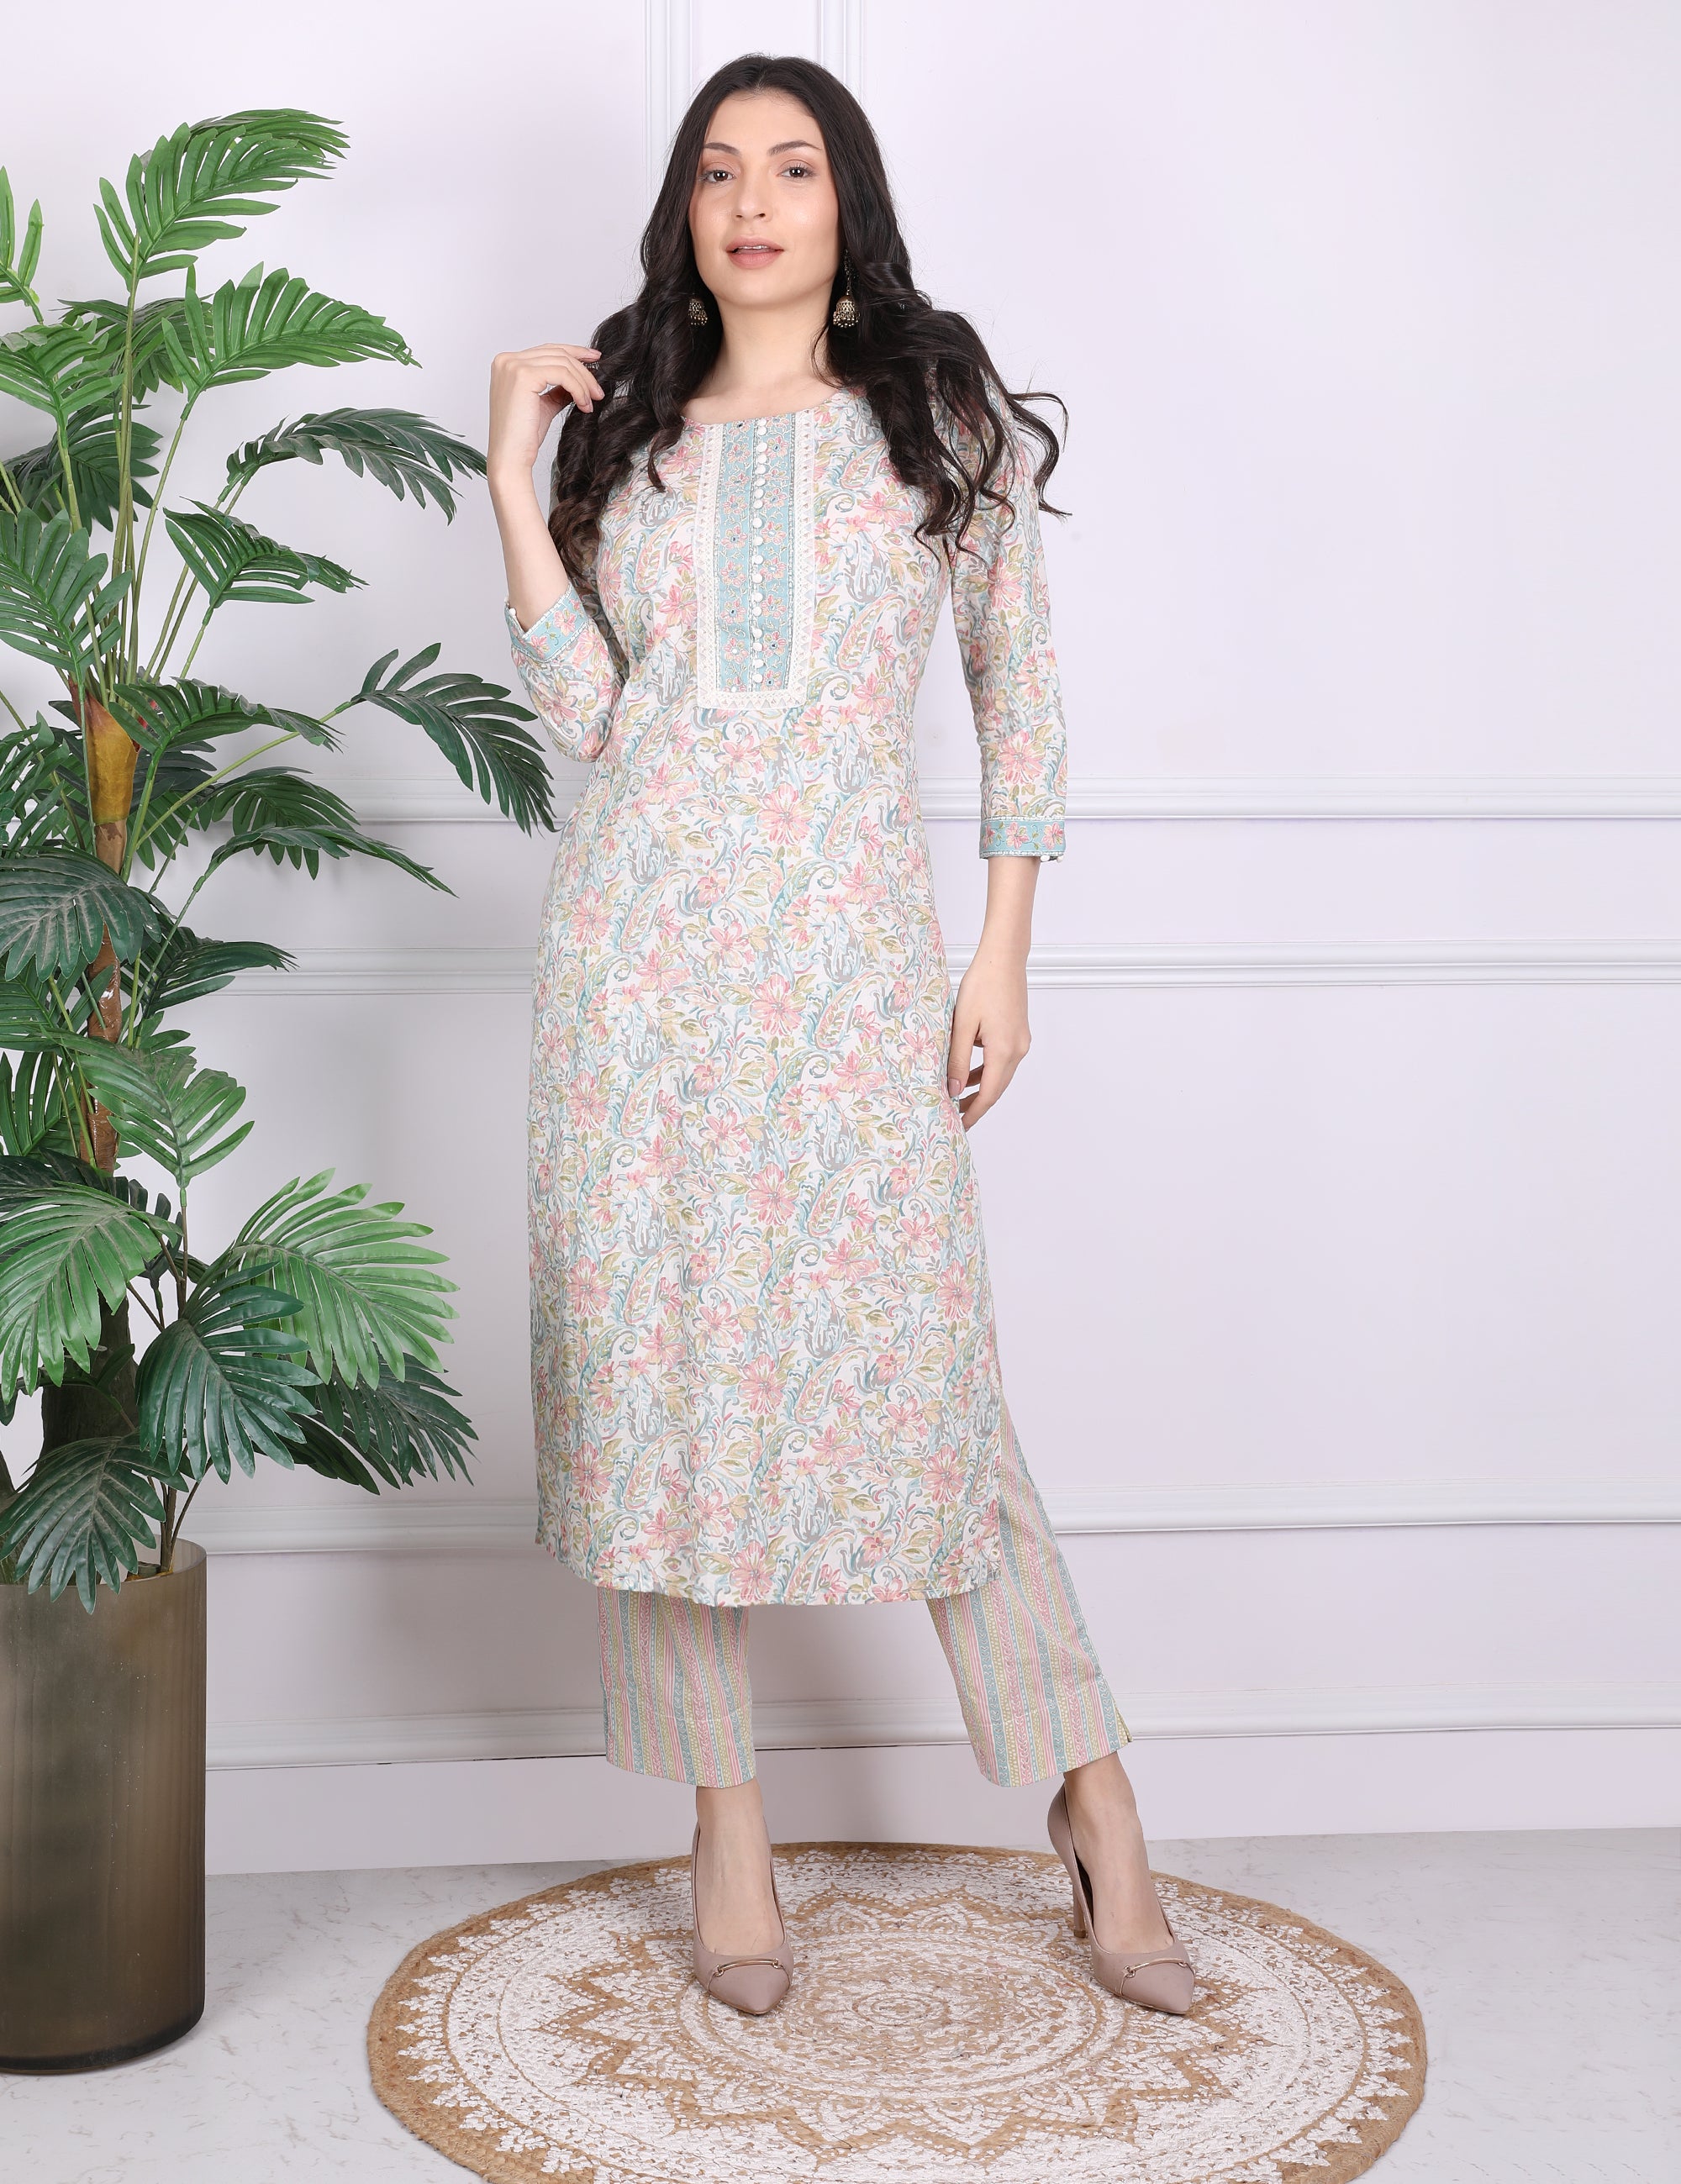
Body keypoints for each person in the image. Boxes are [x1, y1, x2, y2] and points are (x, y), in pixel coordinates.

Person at [487, 51, 1194, 2021]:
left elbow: (1017, 698)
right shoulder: (628, 448)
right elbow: (590, 721)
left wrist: (1003, 954)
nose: (750, 203)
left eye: (790, 168)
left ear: (844, 202)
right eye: (717, 171)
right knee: (662, 1400)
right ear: (684, 211)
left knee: (934, 1395)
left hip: (854, 977)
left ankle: (1096, 1802)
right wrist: (511, 486)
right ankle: (729, 1832)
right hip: (637, 985)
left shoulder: (933, 426)